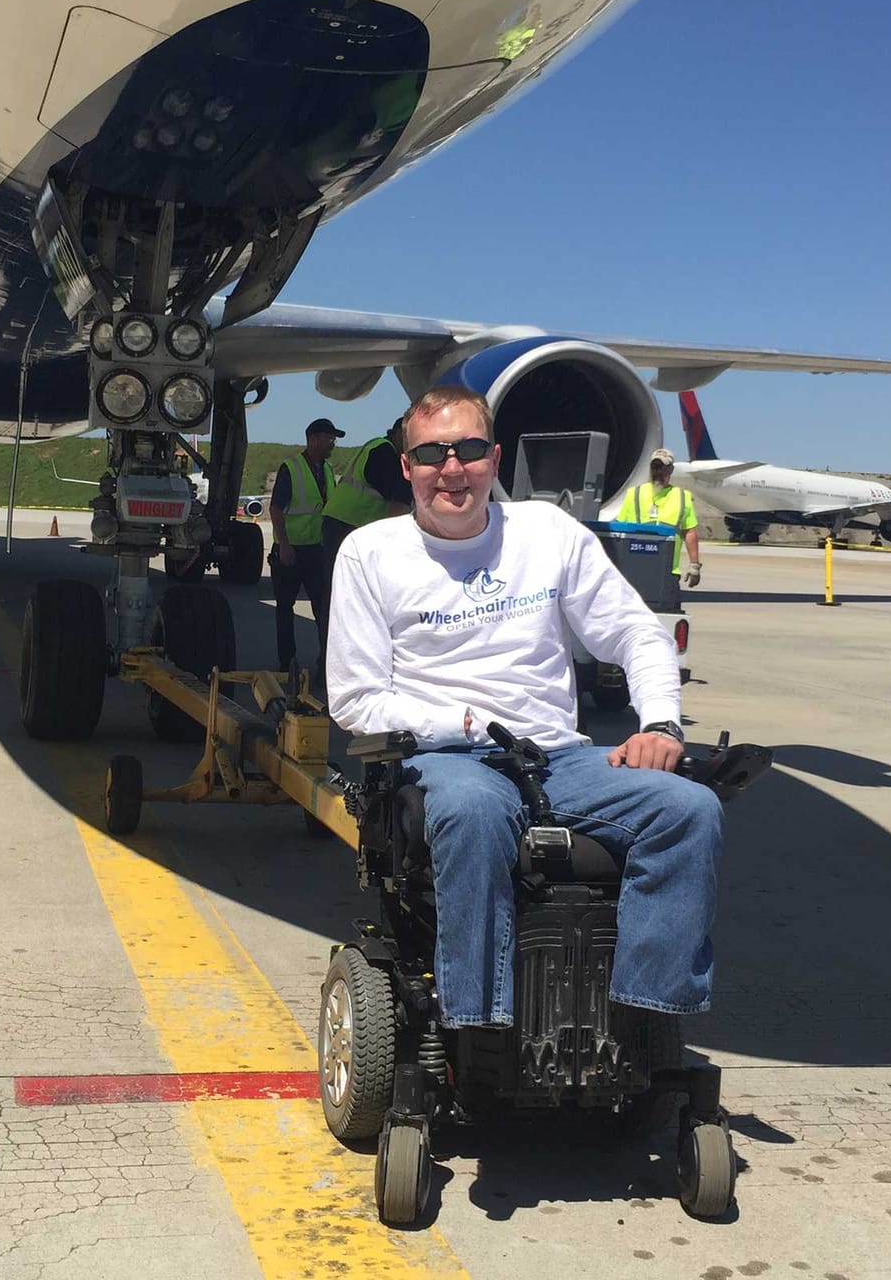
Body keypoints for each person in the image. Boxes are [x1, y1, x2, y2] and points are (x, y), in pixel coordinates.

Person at [327, 387, 722, 1028]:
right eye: (431, 453)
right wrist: (456, 722)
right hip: (445, 759)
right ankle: (479, 1027)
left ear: (495, 458)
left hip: (555, 755)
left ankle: (638, 1021)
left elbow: (636, 633)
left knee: (690, 810)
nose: (451, 468)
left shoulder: (547, 533)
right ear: (407, 467)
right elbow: (354, 698)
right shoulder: (370, 554)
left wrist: (660, 723)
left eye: (470, 450)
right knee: (473, 811)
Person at [269, 417, 341, 673]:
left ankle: (326, 663)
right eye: (328, 438)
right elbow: (276, 508)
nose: (332, 443)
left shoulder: (328, 470)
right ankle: (286, 662)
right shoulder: (292, 468)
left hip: (316, 550)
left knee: (323, 608)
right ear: (313, 439)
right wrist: (285, 545)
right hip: (292, 550)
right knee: (285, 608)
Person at [320, 416, 412, 565]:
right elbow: (399, 497)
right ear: (397, 433)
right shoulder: (384, 452)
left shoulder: (377, 446)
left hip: (343, 521)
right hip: (347, 524)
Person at [623, 449, 702, 588]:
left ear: (671, 470)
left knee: (668, 607)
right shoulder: (633, 494)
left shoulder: (682, 497)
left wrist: (694, 565)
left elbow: (689, 532)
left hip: (669, 572)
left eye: (663, 468)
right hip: (636, 569)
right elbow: (619, 530)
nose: (658, 472)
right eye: (655, 467)